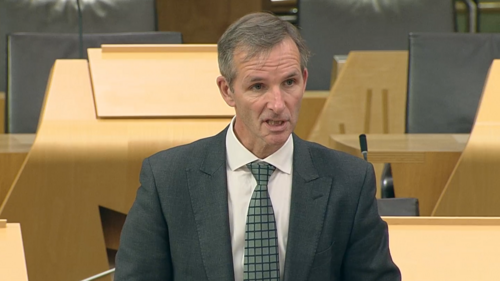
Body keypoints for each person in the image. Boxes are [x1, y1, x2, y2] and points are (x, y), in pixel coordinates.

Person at [115, 12, 401, 281]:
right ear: (227, 90)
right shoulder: (167, 179)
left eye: (289, 82)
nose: (278, 104)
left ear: (304, 80)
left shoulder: (349, 182)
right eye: (258, 86)